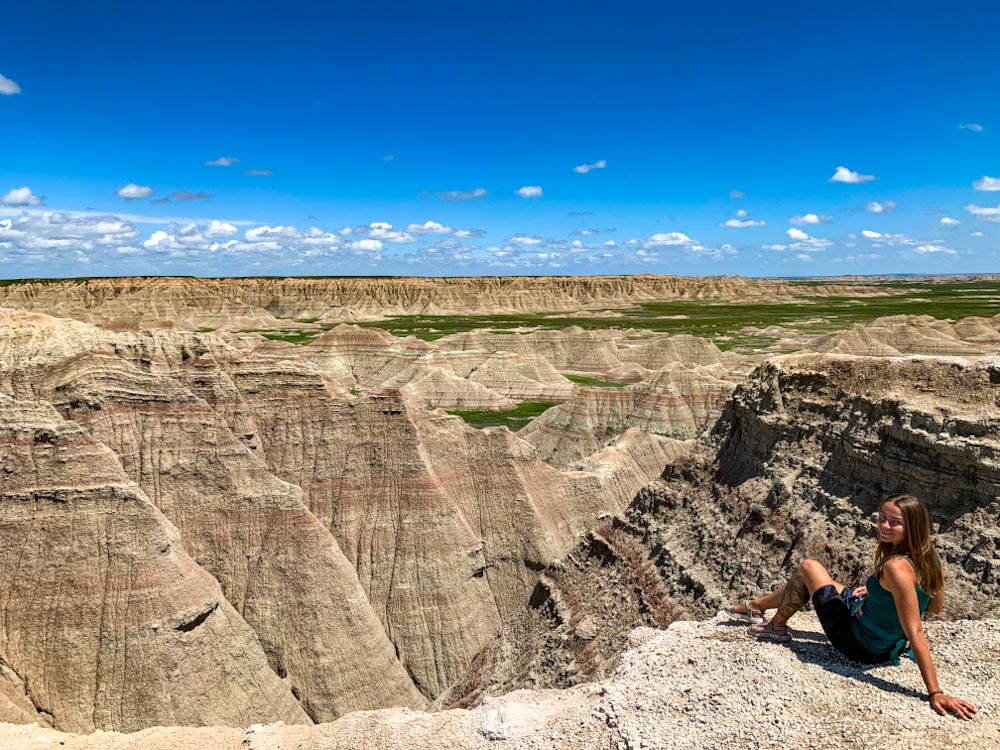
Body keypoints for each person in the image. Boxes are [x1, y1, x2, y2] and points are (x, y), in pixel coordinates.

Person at [725, 494, 977, 720]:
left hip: (858, 644)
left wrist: (936, 692)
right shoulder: (929, 556)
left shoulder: (895, 567)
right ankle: (755, 606)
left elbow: (916, 631)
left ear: (912, 526)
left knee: (808, 569)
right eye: (882, 518)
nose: (884, 526)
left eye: (895, 522)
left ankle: (775, 627)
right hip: (886, 642)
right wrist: (878, 590)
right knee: (823, 581)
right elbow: (934, 607)